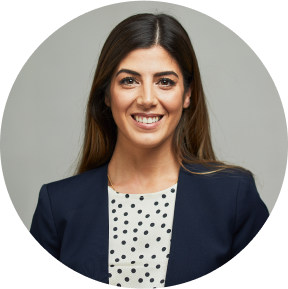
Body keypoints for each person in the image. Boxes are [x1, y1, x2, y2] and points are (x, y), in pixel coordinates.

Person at [29, 13, 270, 288]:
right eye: (129, 81)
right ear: (106, 94)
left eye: (165, 81)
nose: (146, 99)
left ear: (188, 94)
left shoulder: (234, 197)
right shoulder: (57, 205)